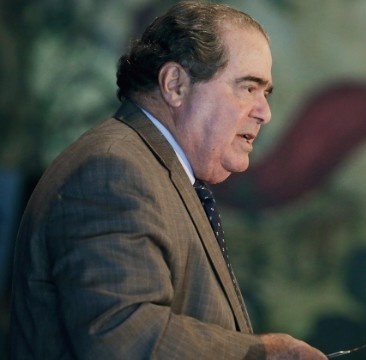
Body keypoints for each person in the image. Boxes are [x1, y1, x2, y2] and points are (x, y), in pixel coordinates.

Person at [9, 2, 327, 359]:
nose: (264, 113)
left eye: (265, 93)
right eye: (248, 88)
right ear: (175, 84)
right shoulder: (113, 171)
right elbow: (122, 337)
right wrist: (264, 354)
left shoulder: (151, 170)